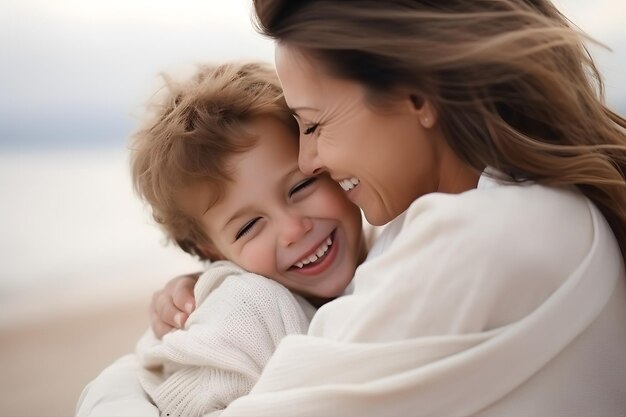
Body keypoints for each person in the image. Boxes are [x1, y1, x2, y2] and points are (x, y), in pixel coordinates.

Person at [152, 0, 626, 415]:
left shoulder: (477, 242)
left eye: (313, 125)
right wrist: (217, 284)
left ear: (416, 96)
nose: (308, 159)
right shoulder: (498, 212)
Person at [75, 61, 368, 417]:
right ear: (213, 252)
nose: (293, 230)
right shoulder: (241, 316)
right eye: (247, 228)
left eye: (301, 186)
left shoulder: (400, 240)